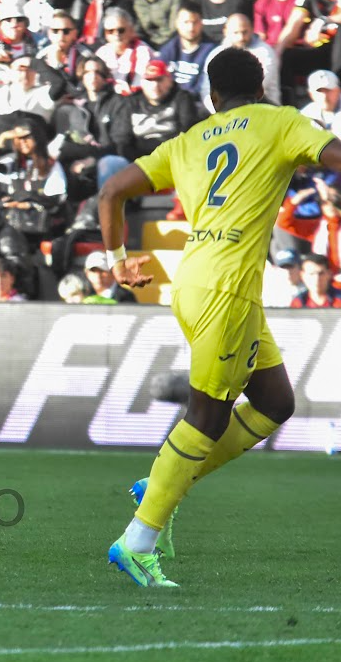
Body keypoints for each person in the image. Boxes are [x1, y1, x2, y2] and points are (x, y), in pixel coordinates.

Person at [98, 47, 341, 587]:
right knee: (206, 415)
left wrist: (117, 262)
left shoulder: (186, 142)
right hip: (227, 289)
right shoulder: (280, 121)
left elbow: (111, 190)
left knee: (276, 401)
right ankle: (138, 540)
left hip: (195, 282)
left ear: (212, 96)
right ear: (262, 87)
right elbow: (336, 157)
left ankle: (163, 481)